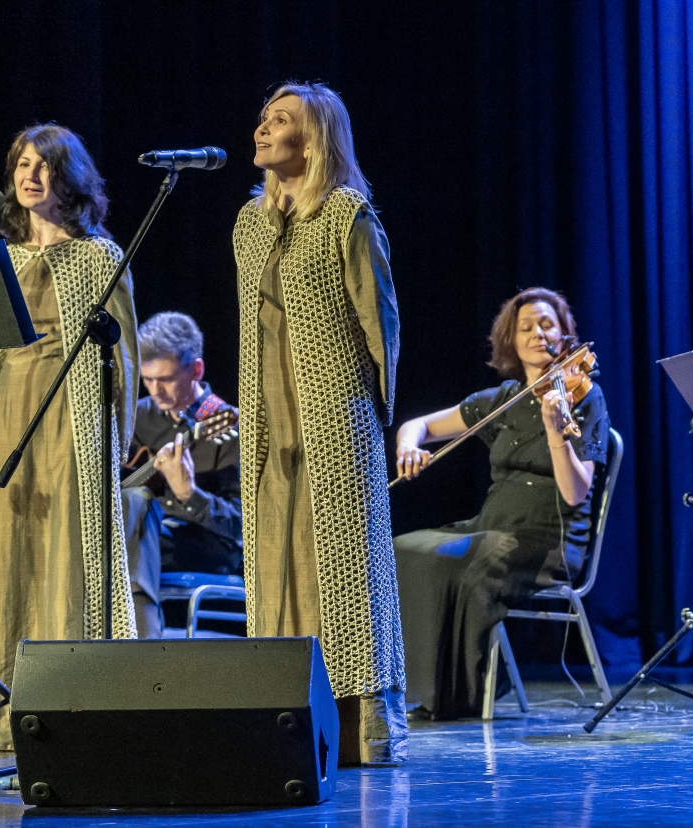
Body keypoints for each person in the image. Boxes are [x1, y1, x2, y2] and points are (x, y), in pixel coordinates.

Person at [233, 81, 404, 765]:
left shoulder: (346, 215)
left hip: (336, 417)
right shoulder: (249, 225)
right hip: (269, 416)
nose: (262, 129)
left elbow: (380, 323)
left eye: (281, 120)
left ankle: (362, 725)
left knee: (344, 570)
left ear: (315, 138)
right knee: (277, 562)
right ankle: (281, 717)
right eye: (263, 117)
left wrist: (365, 419)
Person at [0, 124, 139, 751]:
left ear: (69, 180)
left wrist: (114, 443)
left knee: (66, 552)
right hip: (9, 411)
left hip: (72, 417)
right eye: (21, 162)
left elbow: (124, 357)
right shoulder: (1, 257)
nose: (28, 173)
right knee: (9, 553)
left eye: (43, 164)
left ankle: (73, 710)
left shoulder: (97, 256)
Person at [394, 287, 610, 720]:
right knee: (399, 550)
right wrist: (408, 448)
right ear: (511, 341)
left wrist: (555, 431)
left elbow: (575, 492)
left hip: (548, 539)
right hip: (491, 525)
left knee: (462, 566)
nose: (536, 333)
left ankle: (458, 696)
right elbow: (419, 425)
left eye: (547, 324)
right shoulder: (502, 400)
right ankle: (413, 688)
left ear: (566, 334)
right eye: (525, 327)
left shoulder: (583, 398)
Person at [122, 312, 242, 639]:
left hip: (208, 546)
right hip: (149, 540)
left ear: (197, 370)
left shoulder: (230, 425)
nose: (155, 391)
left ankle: (141, 642)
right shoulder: (137, 417)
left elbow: (241, 528)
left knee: (132, 522)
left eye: (167, 379)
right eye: (148, 379)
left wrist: (189, 494)